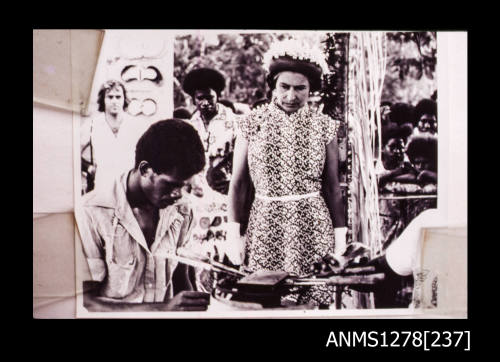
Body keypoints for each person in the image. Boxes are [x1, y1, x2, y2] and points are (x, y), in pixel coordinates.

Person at [227, 40, 347, 306]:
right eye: (285, 87)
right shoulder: (251, 123)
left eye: (300, 88)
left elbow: (332, 187)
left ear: (311, 90)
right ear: (273, 85)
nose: (291, 96)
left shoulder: (324, 126)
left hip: (313, 227)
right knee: (265, 301)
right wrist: (233, 232)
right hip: (265, 226)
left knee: (314, 302)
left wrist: (341, 239)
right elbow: (239, 184)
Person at [77, 119, 210, 312]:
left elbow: (182, 279)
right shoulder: (91, 212)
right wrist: (161, 309)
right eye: (171, 185)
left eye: (184, 186)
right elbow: (86, 302)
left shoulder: (182, 210)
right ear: (145, 169)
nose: (178, 194)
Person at [181, 67, 240, 290]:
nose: (205, 102)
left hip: (226, 198)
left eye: (210, 96)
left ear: (218, 95)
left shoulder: (234, 123)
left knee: (226, 253)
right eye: (200, 98)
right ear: (193, 98)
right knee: (198, 253)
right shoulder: (189, 127)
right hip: (197, 199)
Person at [80, 80, 149, 194]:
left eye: (118, 97)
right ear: (103, 99)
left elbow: (148, 153)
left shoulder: (135, 125)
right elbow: (74, 152)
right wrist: (88, 168)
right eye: (110, 97)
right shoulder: (93, 125)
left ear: (124, 99)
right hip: (102, 187)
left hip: (130, 188)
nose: (114, 101)